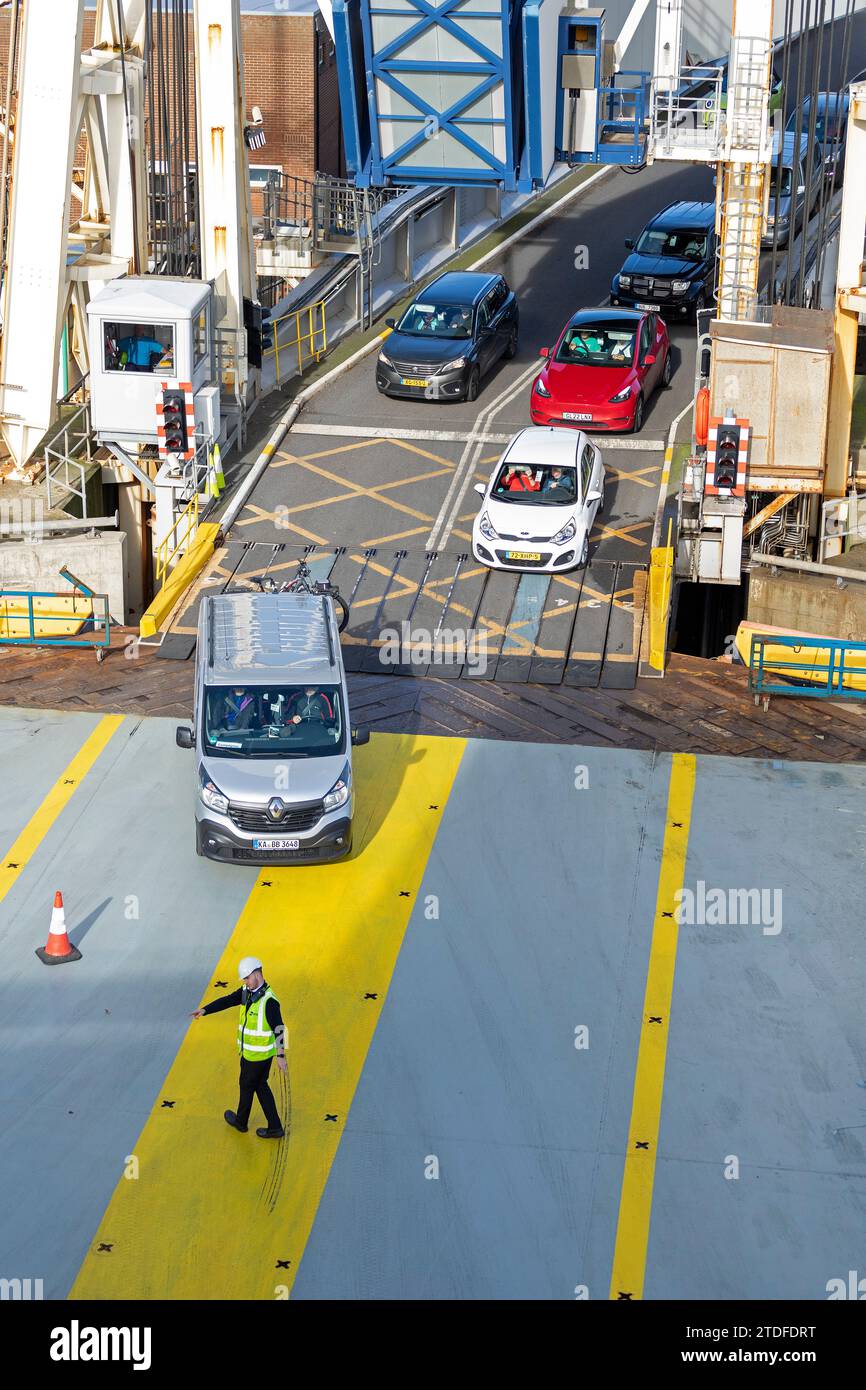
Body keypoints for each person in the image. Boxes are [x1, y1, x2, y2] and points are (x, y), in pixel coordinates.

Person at [191, 956, 287, 1139]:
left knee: (246, 1085)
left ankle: (241, 1122)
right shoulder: (247, 992)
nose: (244, 982)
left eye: (246, 978)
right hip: (256, 1054)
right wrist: (205, 1010)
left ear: (257, 974)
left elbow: (279, 1028)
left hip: (256, 1056)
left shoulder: (269, 1001)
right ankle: (275, 1126)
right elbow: (228, 1000)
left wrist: (281, 1057)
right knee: (260, 1086)